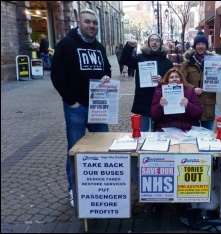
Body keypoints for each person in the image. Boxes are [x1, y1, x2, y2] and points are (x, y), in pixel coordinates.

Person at [50, 9, 112, 208]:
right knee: (75, 150)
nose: (92, 26)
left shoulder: (100, 47)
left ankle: (98, 187)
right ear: (79, 22)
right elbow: (57, 75)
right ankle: (74, 190)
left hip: (98, 107)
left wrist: (106, 77)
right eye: (88, 22)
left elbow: (107, 69)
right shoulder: (66, 44)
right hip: (76, 107)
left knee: (102, 147)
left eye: (94, 23)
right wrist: (70, 101)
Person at [120, 33, 173, 132]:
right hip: (142, 100)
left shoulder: (167, 63)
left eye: (157, 40)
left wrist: (162, 80)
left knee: (158, 134)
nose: (154, 42)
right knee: (142, 132)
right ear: (148, 43)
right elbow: (124, 60)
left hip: (160, 101)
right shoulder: (140, 58)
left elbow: (172, 81)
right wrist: (128, 46)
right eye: (152, 40)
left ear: (161, 44)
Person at [180, 31, 216, 130]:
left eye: (203, 44)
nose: (201, 46)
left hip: (208, 105)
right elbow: (181, 81)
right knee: (192, 136)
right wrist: (192, 89)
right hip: (191, 104)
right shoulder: (187, 63)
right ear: (195, 46)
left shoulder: (215, 62)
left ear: (206, 46)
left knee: (207, 136)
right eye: (198, 44)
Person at [150, 68, 202, 132]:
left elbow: (198, 113)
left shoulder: (189, 90)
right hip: (165, 128)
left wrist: (188, 105)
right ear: (167, 80)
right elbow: (153, 114)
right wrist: (160, 106)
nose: (174, 79)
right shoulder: (159, 92)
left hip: (186, 128)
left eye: (177, 77)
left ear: (181, 79)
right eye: (171, 77)